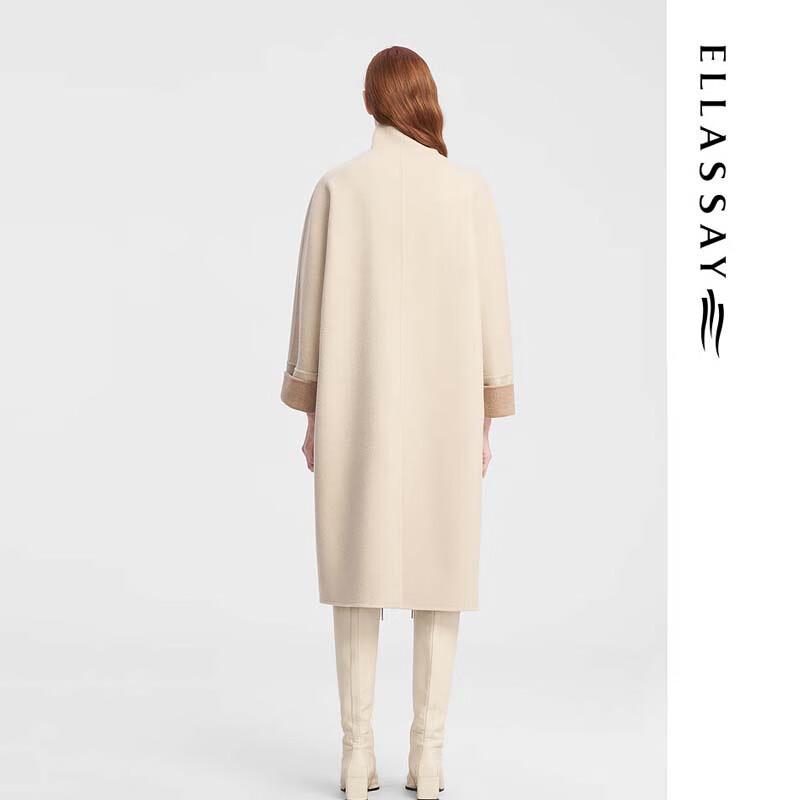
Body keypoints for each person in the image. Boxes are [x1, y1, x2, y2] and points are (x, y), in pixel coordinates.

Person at [280, 45, 514, 800]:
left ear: (370, 100)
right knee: (442, 568)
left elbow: (309, 309)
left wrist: (311, 407)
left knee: (358, 567)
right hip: (448, 403)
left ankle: (357, 759)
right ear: (423, 98)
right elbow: (492, 313)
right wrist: (488, 412)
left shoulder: (338, 188)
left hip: (357, 401)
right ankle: (429, 759)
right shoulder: (468, 191)